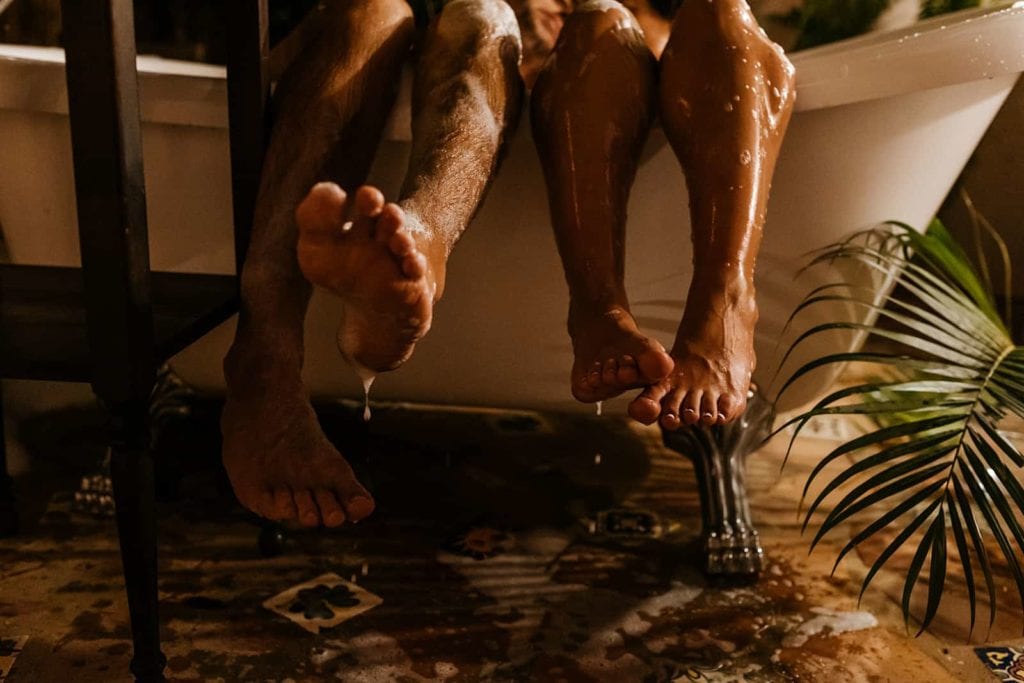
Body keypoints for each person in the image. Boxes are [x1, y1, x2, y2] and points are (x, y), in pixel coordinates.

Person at [220, 0, 794, 528]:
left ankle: (415, 255)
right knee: (435, 12)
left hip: (566, 62)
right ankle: (400, 264)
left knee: (621, 18)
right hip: (432, 35)